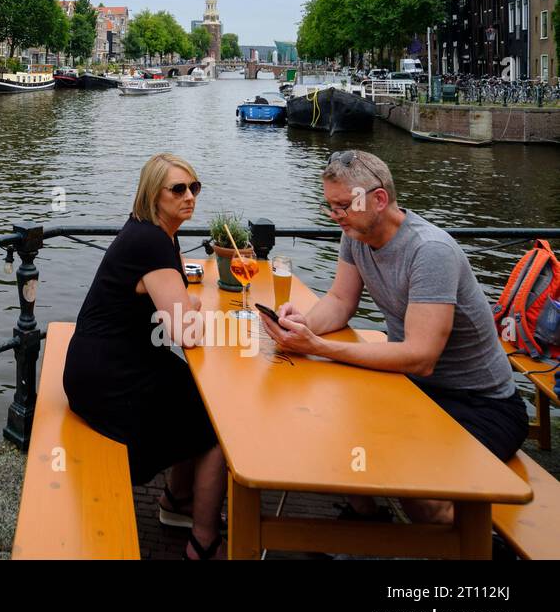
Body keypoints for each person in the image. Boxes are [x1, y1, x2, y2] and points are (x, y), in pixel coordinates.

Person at [263, 149, 528, 524]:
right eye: (330, 206)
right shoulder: (356, 233)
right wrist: (300, 325)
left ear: (380, 199)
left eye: (342, 205)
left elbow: (421, 357)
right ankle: (367, 518)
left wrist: (320, 347)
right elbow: (339, 301)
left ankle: (481, 546)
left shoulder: (430, 251)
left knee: (420, 494)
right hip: (418, 389)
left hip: (481, 404)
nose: (335, 216)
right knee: (326, 424)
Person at [63, 152, 228, 559]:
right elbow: (185, 333)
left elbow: (174, 312)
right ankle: (202, 541)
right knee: (220, 424)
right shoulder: (152, 241)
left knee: (196, 394)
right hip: (108, 377)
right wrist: (197, 312)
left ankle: (177, 500)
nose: (189, 196)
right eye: (178, 189)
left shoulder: (156, 233)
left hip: (105, 359)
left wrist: (187, 307)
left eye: (194, 187)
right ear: (154, 195)